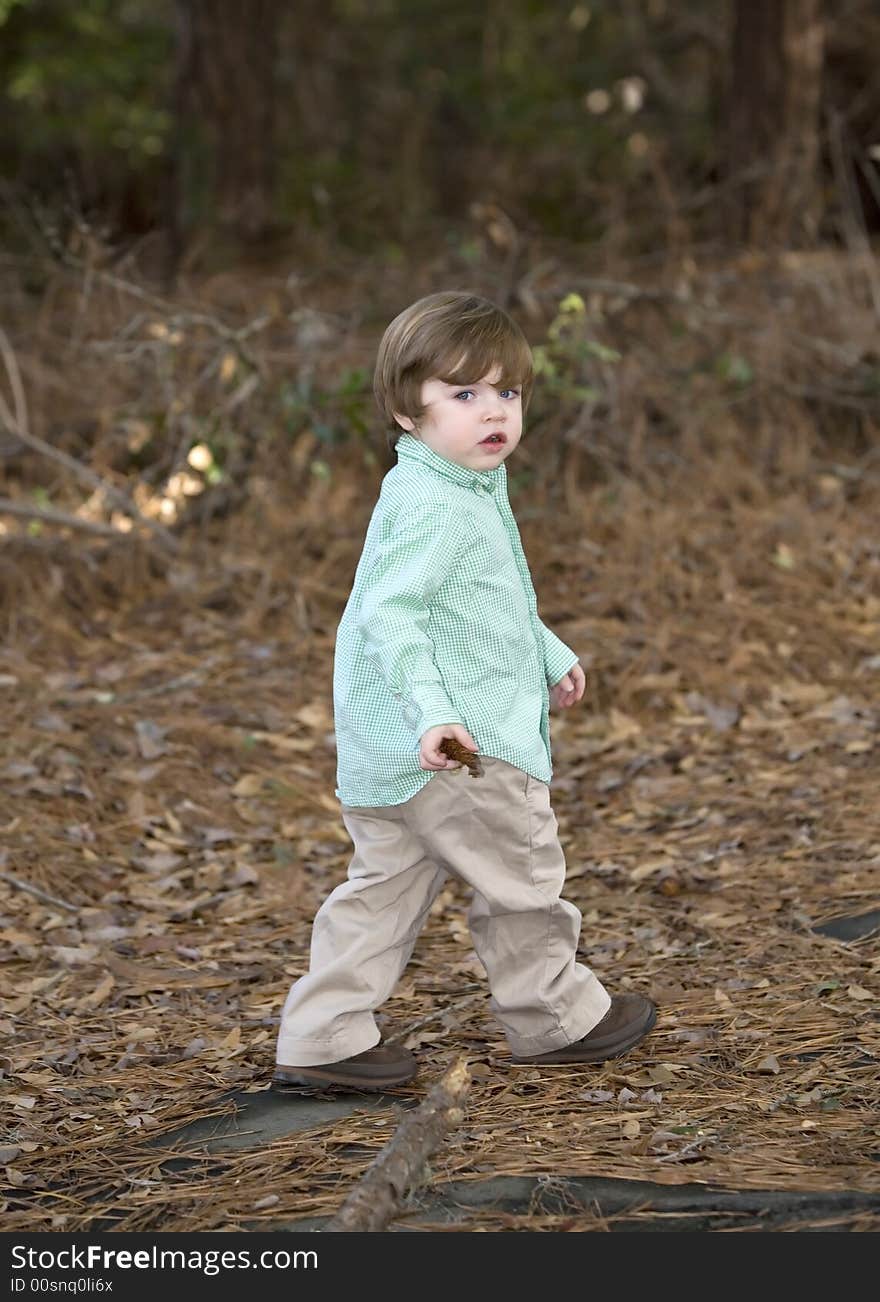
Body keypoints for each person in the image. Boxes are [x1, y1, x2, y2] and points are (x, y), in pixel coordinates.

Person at [273, 290, 656, 1091]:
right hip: (463, 744)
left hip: (394, 755)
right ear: (407, 412)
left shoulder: (448, 487)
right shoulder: (437, 505)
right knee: (522, 878)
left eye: (507, 392)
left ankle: (322, 1036)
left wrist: (547, 651)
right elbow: (392, 613)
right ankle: (554, 1018)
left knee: (381, 893)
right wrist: (437, 713)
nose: (494, 413)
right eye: (464, 394)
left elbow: (481, 602)